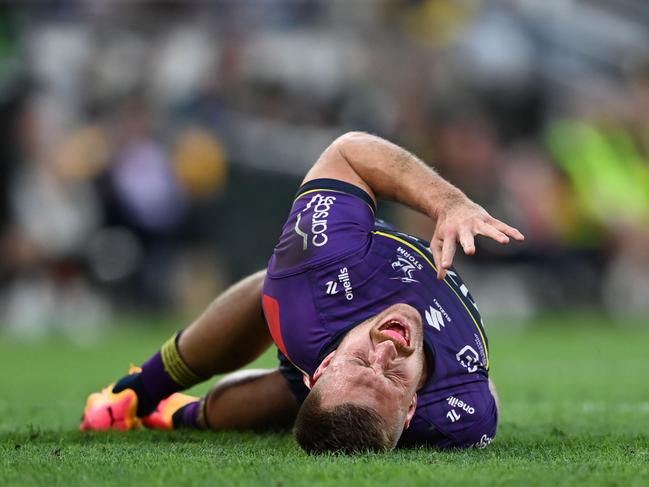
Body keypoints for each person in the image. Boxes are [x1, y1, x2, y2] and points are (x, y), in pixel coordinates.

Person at [81, 132, 524, 452]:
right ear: (411, 411)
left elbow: (349, 153)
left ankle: (156, 403)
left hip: (317, 325)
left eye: (361, 363)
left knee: (272, 310)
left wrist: (447, 203)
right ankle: (146, 395)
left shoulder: (312, 284)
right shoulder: (461, 414)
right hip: (326, 342)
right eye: (390, 378)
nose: (385, 352)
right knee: (279, 314)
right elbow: (485, 394)